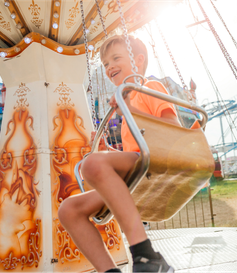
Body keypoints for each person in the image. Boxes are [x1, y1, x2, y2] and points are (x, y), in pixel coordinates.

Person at [58, 35, 177, 273]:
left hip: (159, 164)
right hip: (137, 173)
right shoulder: (126, 102)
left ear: (138, 60)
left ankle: (147, 256)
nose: (109, 65)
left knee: (91, 165)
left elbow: (172, 128)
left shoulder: (149, 88)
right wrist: (107, 151)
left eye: (116, 58)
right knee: (68, 210)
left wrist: (129, 108)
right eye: (105, 63)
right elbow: (133, 152)